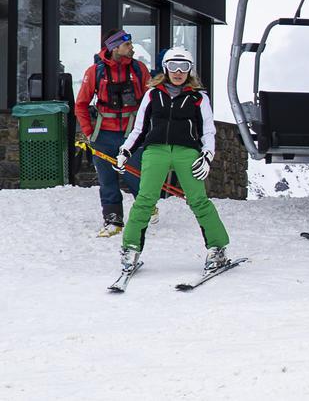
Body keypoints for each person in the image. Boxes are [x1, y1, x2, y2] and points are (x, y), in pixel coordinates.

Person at [115, 48, 230, 273]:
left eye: (184, 67)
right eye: (174, 66)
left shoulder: (198, 97)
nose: (178, 72)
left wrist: (207, 155)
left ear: (190, 70)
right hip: (156, 151)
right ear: (165, 68)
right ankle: (130, 248)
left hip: (187, 152)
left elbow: (208, 131)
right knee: (145, 200)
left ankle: (217, 248)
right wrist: (125, 151)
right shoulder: (153, 94)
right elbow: (140, 128)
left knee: (198, 200)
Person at [73, 29, 148, 237]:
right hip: (103, 135)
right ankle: (113, 219)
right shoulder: (94, 72)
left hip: (132, 135)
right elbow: (80, 104)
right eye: (127, 45)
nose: (131, 48)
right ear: (115, 48)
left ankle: (145, 211)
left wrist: (146, 130)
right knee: (107, 180)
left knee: (137, 175)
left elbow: (149, 102)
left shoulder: (139, 69)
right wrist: (89, 133)